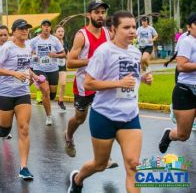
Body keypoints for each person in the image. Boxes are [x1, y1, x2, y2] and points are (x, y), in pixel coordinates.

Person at [68, 11, 153, 193]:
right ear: (113, 29)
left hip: (130, 116)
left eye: (133, 27)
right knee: (100, 164)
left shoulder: (135, 52)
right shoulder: (104, 51)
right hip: (104, 115)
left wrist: (143, 78)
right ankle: (78, 179)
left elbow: (131, 77)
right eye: (126, 27)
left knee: (133, 165)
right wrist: (118, 83)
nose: (132, 31)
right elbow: (89, 82)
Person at [65, 0, 116, 166]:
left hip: (102, 84)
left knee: (104, 117)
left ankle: (105, 157)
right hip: (83, 85)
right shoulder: (82, 36)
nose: (100, 16)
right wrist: (92, 60)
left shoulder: (109, 33)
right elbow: (70, 63)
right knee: (80, 119)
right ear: (89, 15)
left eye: (103, 12)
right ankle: (69, 136)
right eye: (97, 12)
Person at [0, 19, 39, 180]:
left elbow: (25, 67)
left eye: (27, 29)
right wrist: (13, 73)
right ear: (14, 31)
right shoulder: (7, 47)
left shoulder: (29, 46)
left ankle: (24, 167)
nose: (25, 31)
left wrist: (33, 76)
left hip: (22, 92)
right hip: (6, 93)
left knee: (24, 128)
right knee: (5, 129)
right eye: (22, 29)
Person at [159, 13, 196, 154]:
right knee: (183, 135)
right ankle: (169, 135)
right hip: (186, 90)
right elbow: (181, 65)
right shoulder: (187, 41)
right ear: (189, 27)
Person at [30, 19, 66, 126]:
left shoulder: (55, 40)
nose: (46, 27)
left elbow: (63, 54)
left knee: (52, 95)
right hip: (39, 68)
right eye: (44, 26)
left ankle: (47, 100)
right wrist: (32, 54)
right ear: (41, 27)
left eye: (48, 26)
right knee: (45, 91)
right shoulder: (35, 40)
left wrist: (55, 55)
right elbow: (26, 50)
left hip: (53, 69)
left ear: (50, 28)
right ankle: (49, 116)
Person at [54, 25, 68, 111]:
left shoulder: (65, 42)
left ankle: (61, 101)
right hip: (53, 66)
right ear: (55, 33)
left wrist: (69, 61)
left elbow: (67, 53)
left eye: (62, 31)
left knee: (63, 83)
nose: (60, 33)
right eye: (59, 31)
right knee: (53, 87)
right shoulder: (52, 42)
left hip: (62, 65)